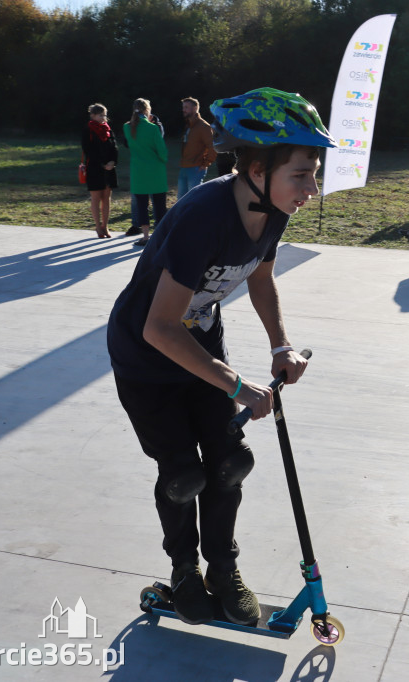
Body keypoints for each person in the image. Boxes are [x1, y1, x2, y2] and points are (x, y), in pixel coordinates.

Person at [107, 87, 333, 627]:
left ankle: (222, 569)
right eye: (301, 174)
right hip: (147, 356)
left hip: (200, 343)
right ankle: (184, 570)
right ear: (256, 168)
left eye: (313, 173)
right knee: (183, 473)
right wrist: (236, 386)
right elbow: (159, 327)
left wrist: (280, 345)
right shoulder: (202, 216)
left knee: (229, 464)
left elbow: (260, 277)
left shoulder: (271, 208)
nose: (312, 188)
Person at [124, 98, 168, 246]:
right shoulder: (153, 128)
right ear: (147, 110)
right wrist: (163, 159)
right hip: (155, 171)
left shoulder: (127, 128)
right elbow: (162, 151)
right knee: (159, 205)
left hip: (138, 172)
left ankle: (145, 236)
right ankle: (160, 236)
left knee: (142, 206)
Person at [81, 103, 118, 239]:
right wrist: (102, 164)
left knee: (106, 198)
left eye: (105, 115)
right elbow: (88, 149)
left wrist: (113, 162)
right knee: (96, 198)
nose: (104, 118)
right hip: (95, 168)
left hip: (109, 168)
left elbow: (114, 147)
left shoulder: (108, 129)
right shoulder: (88, 130)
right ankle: (98, 226)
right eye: (101, 115)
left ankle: (105, 225)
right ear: (93, 115)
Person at [177, 97, 216, 200]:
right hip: (184, 167)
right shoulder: (189, 125)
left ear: (195, 109)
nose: (183, 110)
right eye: (183, 107)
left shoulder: (203, 126)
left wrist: (205, 164)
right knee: (180, 201)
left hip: (195, 168)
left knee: (193, 200)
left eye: (186, 107)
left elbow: (212, 146)